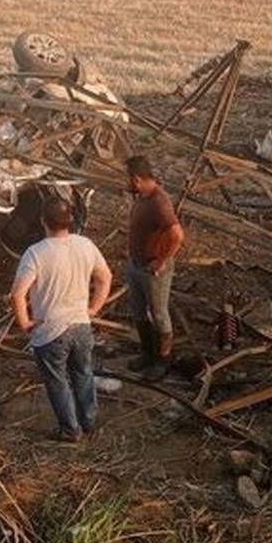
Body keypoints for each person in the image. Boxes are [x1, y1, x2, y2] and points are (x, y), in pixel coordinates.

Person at [10, 197, 112, 442]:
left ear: (43, 221)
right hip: (81, 327)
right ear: (71, 220)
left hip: (51, 331)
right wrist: (94, 308)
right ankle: (88, 422)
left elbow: (18, 294)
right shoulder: (85, 245)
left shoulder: (35, 253)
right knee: (83, 374)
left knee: (57, 381)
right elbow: (105, 277)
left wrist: (24, 322)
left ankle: (70, 430)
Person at [124, 155, 185, 381]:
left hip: (153, 269)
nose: (127, 183)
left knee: (159, 314)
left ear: (137, 179)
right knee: (139, 311)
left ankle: (163, 360)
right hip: (136, 265)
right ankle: (147, 353)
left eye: (129, 179)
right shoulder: (142, 197)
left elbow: (177, 235)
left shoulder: (160, 202)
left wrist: (161, 260)